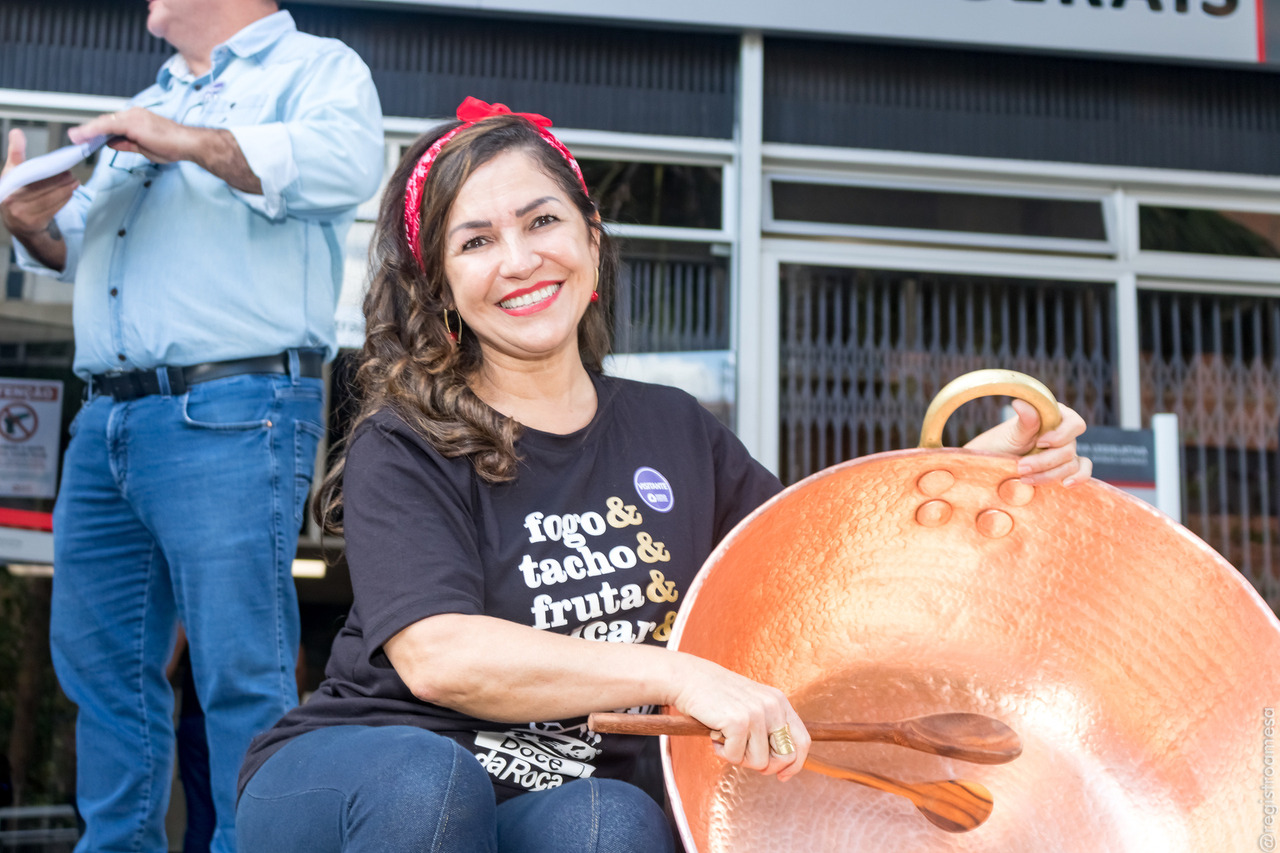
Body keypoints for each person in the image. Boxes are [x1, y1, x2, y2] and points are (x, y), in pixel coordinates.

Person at [234, 96, 1092, 853]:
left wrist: (973, 480)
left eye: (542, 222)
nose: (521, 259)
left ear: (591, 239)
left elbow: (820, 571)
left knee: (613, 820)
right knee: (430, 786)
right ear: (442, 285)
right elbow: (441, 657)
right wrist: (680, 675)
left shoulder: (673, 427)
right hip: (369, 774)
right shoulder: (405, 441)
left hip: (550, 802)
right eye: (477, 240)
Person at [0, 1, 384, 851]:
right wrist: (31, 227)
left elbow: (342, 168)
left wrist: (180, 139)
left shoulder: (318, 72)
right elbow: (86, 250)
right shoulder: (148, 100)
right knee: (100, 672)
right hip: (106, 422)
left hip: (231, 410)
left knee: (241, 672)